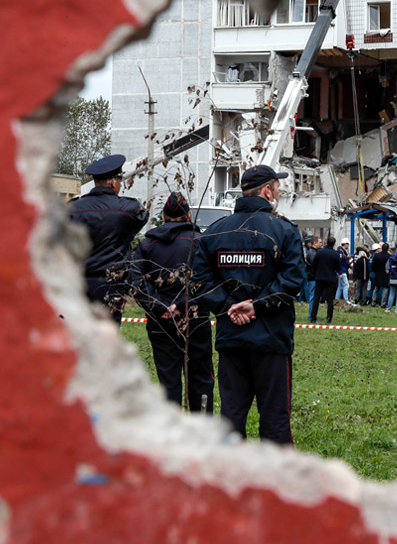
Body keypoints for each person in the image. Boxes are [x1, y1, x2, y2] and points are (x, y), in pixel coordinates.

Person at [189, 164, 304, 445]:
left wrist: (230, 306)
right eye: (277, 187)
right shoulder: (284, 230)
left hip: (232, 339)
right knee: (275, 417)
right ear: (267, 190)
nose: (278, 191)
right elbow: (293, 281)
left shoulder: (214, 232)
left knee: (232, 417)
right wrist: (256, 306)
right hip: (271, 340)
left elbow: (200, 283)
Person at [130, 192, 213, 411]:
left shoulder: (147, 245)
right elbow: (209, 281)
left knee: (168, 382)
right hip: (195, 319)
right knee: (201, 379)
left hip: (160, 322)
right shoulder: (200, 243)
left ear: (164, 218)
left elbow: (136, 281)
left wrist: (159, 306)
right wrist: (185, 304)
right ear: (189, 216)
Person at [69, 154, 148, 324]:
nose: (121, 184)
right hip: (111, 287)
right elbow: (142, 216)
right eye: (120, 180)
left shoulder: (73, 208)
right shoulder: (127, 209)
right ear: (113, 182)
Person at [310, 236, 341, 324]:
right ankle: (329, 318)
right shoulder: (336, 254)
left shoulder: (320, 252)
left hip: (320, 277)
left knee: (317, 297)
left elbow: (314, 264)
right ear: (334, 244)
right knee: (330, 299)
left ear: (326, 242)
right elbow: (338, 267)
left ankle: (313, 317)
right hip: (331, 278)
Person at [370, 242, 392, 307]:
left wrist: (376, 271)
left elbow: (373, 266)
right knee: (385, 289)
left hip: (378, 273)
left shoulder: (376, 256)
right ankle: (383, 303)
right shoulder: (389, 257)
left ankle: (373, 302)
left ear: (381, 248)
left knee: (376, 288)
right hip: (386, 274)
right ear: (388, 248)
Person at [335, 239, 353, 306]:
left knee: (340, 287)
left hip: (342, 271)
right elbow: (339, 262)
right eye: (348, 244)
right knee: (346, 285)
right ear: (345, 244)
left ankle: (336, 299)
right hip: (342, 271)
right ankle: (346, 300)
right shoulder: (341, 252)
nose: (348, 245)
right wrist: (340, 273)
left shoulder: (342, 252)